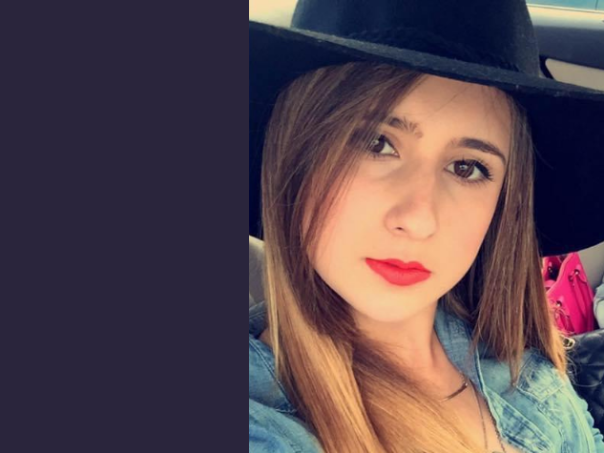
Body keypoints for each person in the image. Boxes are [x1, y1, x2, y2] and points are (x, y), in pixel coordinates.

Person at [248, 1, 604, 452]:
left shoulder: (526, 379)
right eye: (376, 143)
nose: (418, 219)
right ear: (295, 154)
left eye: (467, 167)